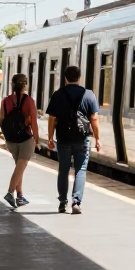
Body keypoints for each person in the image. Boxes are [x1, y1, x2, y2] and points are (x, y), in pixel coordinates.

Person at [45, 65, 101, 214]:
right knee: (80, 170)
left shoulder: (58, 94)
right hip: (82, 138)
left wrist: (50, 137)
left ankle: (62, 202)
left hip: (63, 139)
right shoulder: (89, 95)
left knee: (63, 170)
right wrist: (97, 138)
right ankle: (76, 202)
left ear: (65, 78)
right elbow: (94, 118)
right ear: (79, 77)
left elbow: (52, 118)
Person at [0, 73, 39, 209]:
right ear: (25, 85)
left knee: (18, 168)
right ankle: (10, 192)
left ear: (12, 84)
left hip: (11, 139)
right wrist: (37, 140)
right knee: (21, 166)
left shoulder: (5, 101)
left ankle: (20, 196)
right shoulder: (29, 101)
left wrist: (7, 137)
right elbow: (33, 122)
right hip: (25, 138)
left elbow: (2, 121)